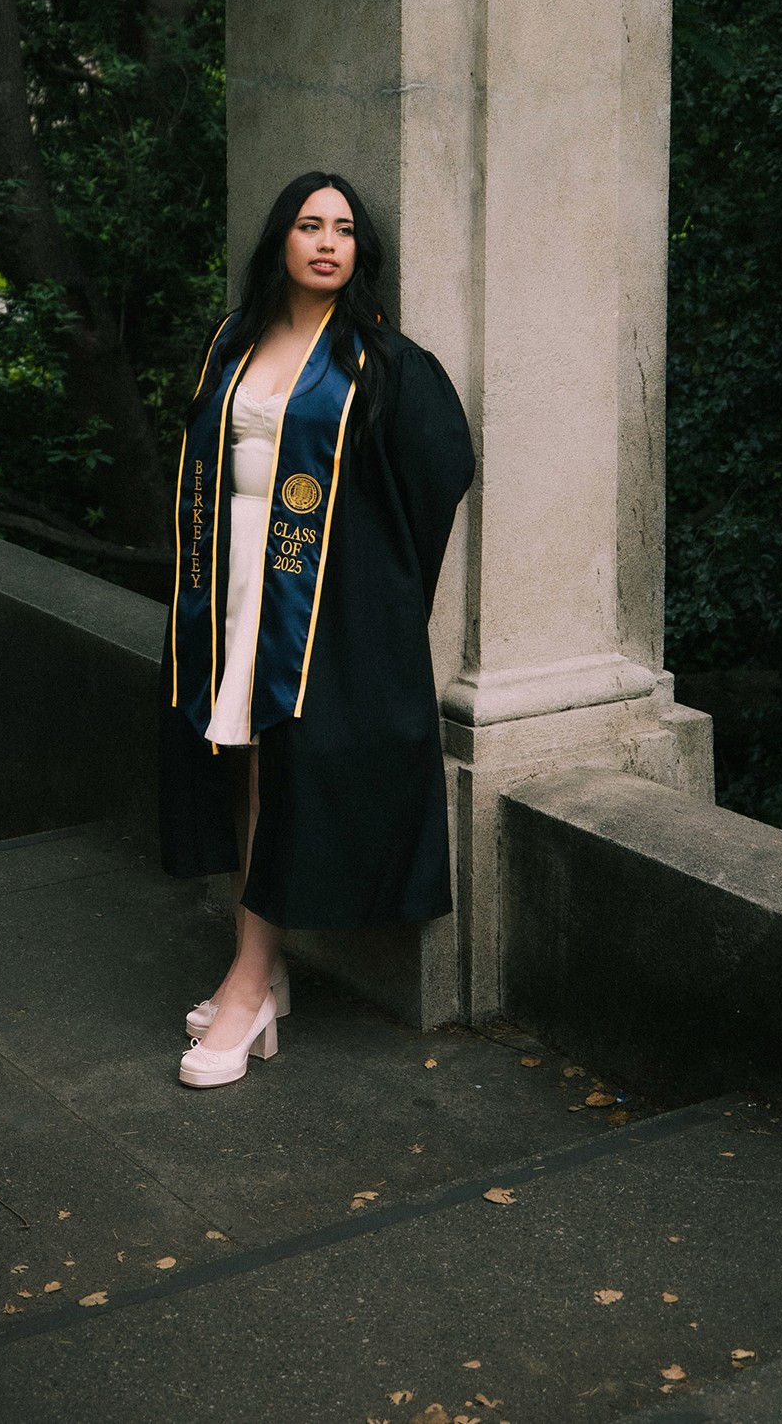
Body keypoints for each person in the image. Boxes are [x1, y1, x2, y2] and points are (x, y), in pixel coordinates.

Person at [158, 171, 474, 1088]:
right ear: (282, 241)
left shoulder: (378, 360)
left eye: (343, 228)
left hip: (315, 602)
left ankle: (249, 985)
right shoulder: (234, 340)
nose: (328, 241)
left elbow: (440, 470)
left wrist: (376, 582)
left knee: (283, 772)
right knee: (238, 763)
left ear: (359, 249)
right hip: (227, 587)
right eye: (309, 224)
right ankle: (263, 974)